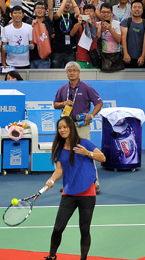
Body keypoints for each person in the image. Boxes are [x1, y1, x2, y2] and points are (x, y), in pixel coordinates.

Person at [37, 116, 105, 260]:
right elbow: (59, 170)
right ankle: (52, 257)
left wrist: (87, 153)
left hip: (87, 192)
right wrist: (52, 179)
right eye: (59, 127)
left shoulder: (84, 143)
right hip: (69, 192)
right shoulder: (60, 149)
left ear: (71, 128)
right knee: (58, 228)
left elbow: (103, 157)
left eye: (65, 127)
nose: (62, 130)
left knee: (84, 229)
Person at [53, 61, 103, 193]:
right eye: (69, 70)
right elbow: (55, 104)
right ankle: (69, 183)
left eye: (74, 70)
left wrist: (91, 116)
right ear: (66, 73)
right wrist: (63, 103)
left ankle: (95, 183)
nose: (72, 73)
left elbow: (99, 103)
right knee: (67, 154)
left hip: (81, 125)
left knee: (87, 152)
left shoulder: (86, 87)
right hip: (67, 128)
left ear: (79, 72)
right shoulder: (63, 89)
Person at [50, 0, 79, 68]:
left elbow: (78, 14)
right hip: (57, 50)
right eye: (66, 2)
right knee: (56, 73)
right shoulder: (57, 15)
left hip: (70, 50)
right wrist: (64, 2)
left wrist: (73, 1)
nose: (67, 4)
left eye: (70, 3)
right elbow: (57, 15)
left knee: (70, 71)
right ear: (61, 4)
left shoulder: (72, 16)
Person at [121, 0, 145, 68]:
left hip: (140, 58)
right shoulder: (126, 22)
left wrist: (142, 56)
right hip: (128, 57)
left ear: (142, 10)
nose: (137, 9)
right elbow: (123, 38)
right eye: (134, 7)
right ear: (131, 9)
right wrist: (125, 54)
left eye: (139, 7)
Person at [96, 2, 123, 70]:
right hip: (103, 56)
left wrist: (110, 29)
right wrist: (101, 30)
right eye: (103, 12)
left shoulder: (117, 24)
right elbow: (94, 39)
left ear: (111, 13)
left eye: (108, 12)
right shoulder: (97, 24)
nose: (106, 14)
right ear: (100, 12)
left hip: (115, 55)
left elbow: (119, 40)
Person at [30, 1, 53, 68]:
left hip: (45, 58)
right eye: (37, 8)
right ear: (34, 11)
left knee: (43, 79)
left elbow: (51, 8)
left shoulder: (49, 21)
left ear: (46, 11)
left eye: (42, 8)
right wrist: (32, 25)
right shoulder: (29, 21)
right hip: (32, 58)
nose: (39, 9)